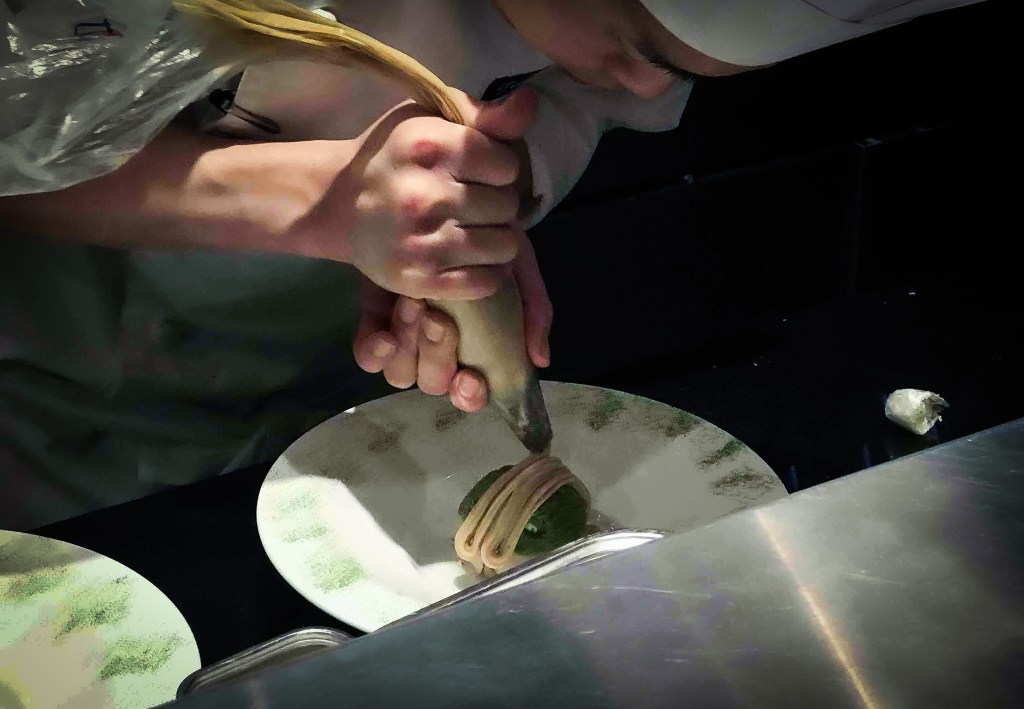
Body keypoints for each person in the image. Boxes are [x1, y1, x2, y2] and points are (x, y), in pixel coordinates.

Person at [0, 0, 985, 530]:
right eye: (632, 37)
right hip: (62, 412)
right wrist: (320, 201)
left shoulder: (618, 54)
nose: (645, 84)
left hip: (325, 413)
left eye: (678, 69)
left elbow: (584, 102)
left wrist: (481, 209)